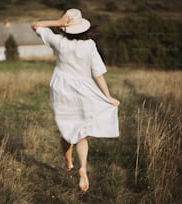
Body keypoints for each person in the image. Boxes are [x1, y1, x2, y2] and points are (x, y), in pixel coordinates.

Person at [31, 8, 120, 192]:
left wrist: (58, 22)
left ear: (66, 28)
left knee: (67, 130)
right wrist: (108, 97)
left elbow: (35, 25)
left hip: (61, 89)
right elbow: (98, 74)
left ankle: (69, 163)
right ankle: (82, 168)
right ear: (83, 28)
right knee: (81, 133)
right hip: (84, 90)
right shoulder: (89, 45)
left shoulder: (59, 42)